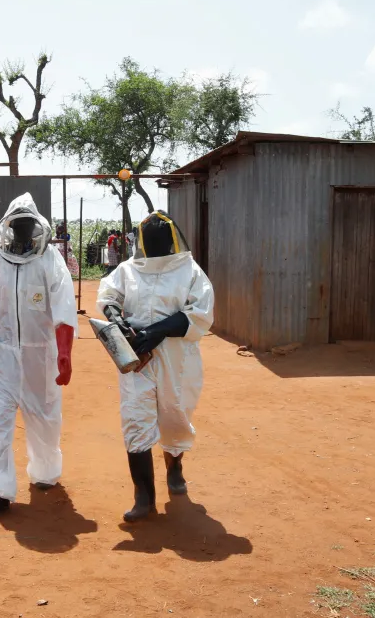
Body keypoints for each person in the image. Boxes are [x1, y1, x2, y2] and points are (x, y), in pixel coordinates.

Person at [96, 210, 214, 523]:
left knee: (175, 416)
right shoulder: (127, 269)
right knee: (136, 419)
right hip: (136, 357)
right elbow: (108, 296)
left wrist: (158, 331)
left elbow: (200, 313)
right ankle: (143, 497)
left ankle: (174, 467)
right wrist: (117, 319)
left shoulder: (189, 270)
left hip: (177, 360)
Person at [0, 193, 77, 514]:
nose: (22, 230)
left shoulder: (50, 260)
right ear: (9, 228)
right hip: (5, 356)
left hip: (40, 356)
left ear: (37, 227)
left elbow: (64, 309)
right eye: (17, 225)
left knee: (43, 420)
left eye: (27, 224)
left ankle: (44, 470)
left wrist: (64, 354)